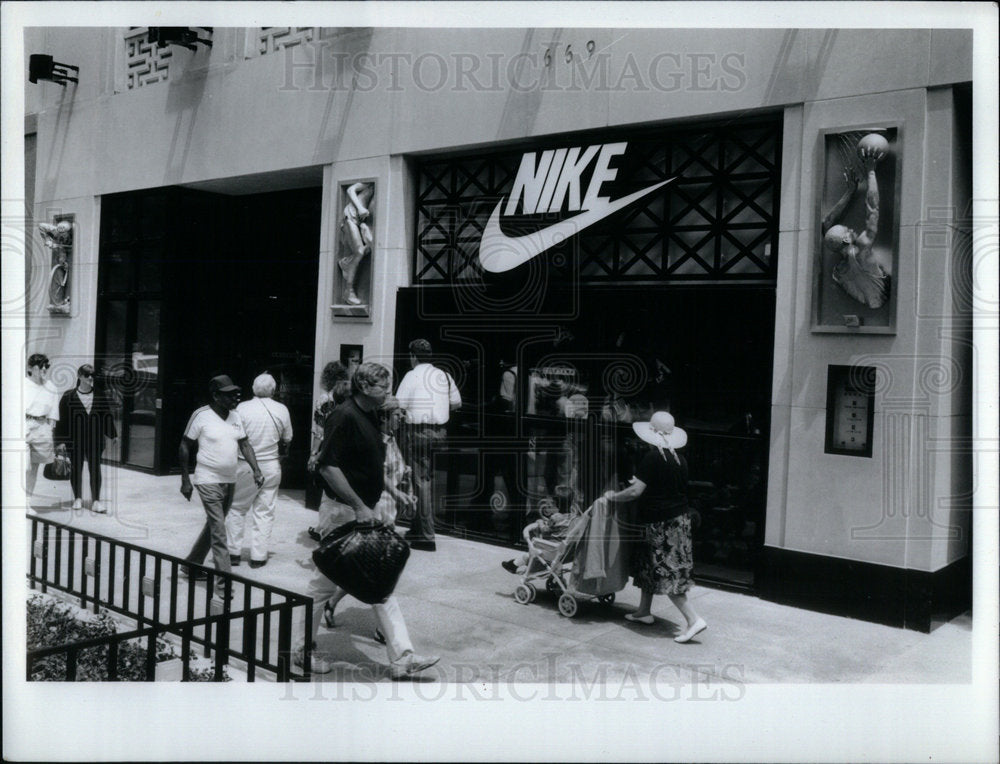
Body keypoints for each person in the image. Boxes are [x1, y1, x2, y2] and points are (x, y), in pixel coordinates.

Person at [295, 362, 439, 678]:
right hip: (342, 513)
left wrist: (389, 494)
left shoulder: (370, 418)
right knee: (324, 586)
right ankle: (300, 650)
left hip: (360, 512)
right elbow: (328, 468)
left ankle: (403, 657)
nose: (388, 392)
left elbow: (371, 467)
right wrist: (360, 506)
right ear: (365, 388)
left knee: (378, 582)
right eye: (383, 388)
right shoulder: (344, 417)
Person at [602, 411, 707, 644]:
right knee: (647, 565)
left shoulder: (652, 458)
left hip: (660, 522)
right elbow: (666, 487)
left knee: (666, 572)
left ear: (652, 434)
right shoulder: (680, 459)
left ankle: (693, 619)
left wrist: (612, 497)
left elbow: (634, 492)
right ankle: (643, 611)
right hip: (678, 520)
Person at [319, 394, 416, 631]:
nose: (401, 418)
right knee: (378, 572)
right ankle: (387, 634)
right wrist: (393, 493)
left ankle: (331, 603)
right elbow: (377, 474)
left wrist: (406, 489)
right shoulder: (372, 437)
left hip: (386, 508)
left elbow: (399, 470)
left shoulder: (391, 439)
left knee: (367, 569)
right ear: (385, 416)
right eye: (397, 414)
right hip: (376, 506)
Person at [178, 375, 265, 598]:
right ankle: (224, 584)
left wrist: (256, 469)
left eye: (235, 393)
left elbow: (244, 444)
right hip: (207, 479)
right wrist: (186, 479)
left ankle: (190, 565)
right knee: (219, 531)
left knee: (214, 526)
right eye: (228, 394)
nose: (235, 397)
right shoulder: (201, 415)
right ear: (216, 396)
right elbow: (185, 445)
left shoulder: (236, 416)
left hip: (230, 480)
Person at [395, 338, 461, 552]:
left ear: (413, 356)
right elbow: (457, 402)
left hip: (418, 432)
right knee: (422, 479)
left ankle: (426, 536)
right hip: (440, 433)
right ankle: (416, 529)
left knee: (420, 481)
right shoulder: (444, 376)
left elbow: (399, 403)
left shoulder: (411, 376)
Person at [226, 373, 292, 568]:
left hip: (244, 464)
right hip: (271, 464)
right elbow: (288, 437)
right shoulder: (282, 409)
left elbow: (233, 435)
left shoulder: (241, 408)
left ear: (254, 389)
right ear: (274, 390)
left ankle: (233, 552)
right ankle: (258, 556)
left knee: (237, 508)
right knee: (265, 510)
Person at [822, 144, 888, 309]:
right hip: (882, 299)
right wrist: (871, 171)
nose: (851, 229)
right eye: (848, 230)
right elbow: (873, 208)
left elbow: (827, 222)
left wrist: (851, 191)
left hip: (871, 303)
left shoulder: (839, 271)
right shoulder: (862, 247)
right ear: (845, 238)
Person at [54, 364, 118, 513]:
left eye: (92, 375)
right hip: (74, 440)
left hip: (95, 440)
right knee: (76, 469)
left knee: (95, 469)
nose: (90, 378)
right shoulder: (68, 396)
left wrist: (113, 434)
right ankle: (78, 498)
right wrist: (60, 441)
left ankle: (96, 501)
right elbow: (61, 421)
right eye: (87, 375)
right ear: (80, 376)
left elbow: (106, 416)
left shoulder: (100, 395)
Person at [500, 486, 581, 574]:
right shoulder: (574, 517)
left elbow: (545, 530)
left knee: (531, 551)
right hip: (566, 552)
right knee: (533, 553)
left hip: (552, 548)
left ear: (556, 503)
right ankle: (513, 564)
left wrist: (540, 522)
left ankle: (513, 565)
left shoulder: (555, 517)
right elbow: (559, 527)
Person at [24, 353, 60, 500]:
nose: (45, 369)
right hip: (24, 426)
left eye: (47, 366)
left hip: (42, 428)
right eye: (41, 366)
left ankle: (27, 503)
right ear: (31, 368)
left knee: (34, 469)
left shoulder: (50, 386)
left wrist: (49, 429)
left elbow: (53, 412)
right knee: (24, 467)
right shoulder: (22, 384)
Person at [338, 182, 374, 306]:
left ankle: (347, 262)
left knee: (366, 250)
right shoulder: (369, 184)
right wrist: (360, 208)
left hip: (358, 221)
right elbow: (350, 189)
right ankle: (348, 291)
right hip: (351, 216)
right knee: (359, 251)